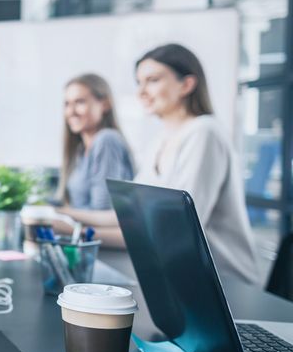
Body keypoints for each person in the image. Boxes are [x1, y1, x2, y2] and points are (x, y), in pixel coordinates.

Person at [60, 44, 259, 285]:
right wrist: (64, 214)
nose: (141, 92)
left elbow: (177, 231)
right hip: (178, 278)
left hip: (223, 285)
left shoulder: (204, 133)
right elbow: (129, 214)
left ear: (186, 85)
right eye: (139, 82)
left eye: (152, 80)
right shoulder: (160, 141)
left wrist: (76, 233)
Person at [56, 73, 133, 210]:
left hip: (92, 230)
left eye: (80, 102)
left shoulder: (106, 140)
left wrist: (63, 216)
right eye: (67, 104)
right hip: (81, 229)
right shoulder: (80, 149)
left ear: (105, 105)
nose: (71, 111)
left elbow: (102, 210)